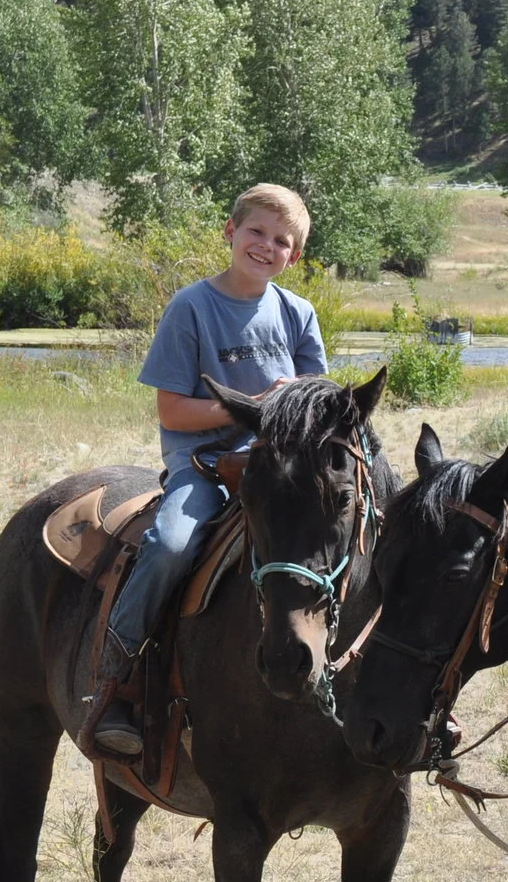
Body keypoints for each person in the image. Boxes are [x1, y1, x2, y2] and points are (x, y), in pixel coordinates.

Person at [89, 184, 329, 759]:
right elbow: (172, 411)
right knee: (171, 544)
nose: (266, 246)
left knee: (350, 533)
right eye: (256, 232)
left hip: (278, 465)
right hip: (205, 463)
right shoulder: (191, 307)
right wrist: (255, 405)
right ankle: (118, 678)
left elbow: (317, 400)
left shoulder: (298, 314)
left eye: (281, 241)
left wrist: (294, 409)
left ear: (294, 256)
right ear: (230, 231)